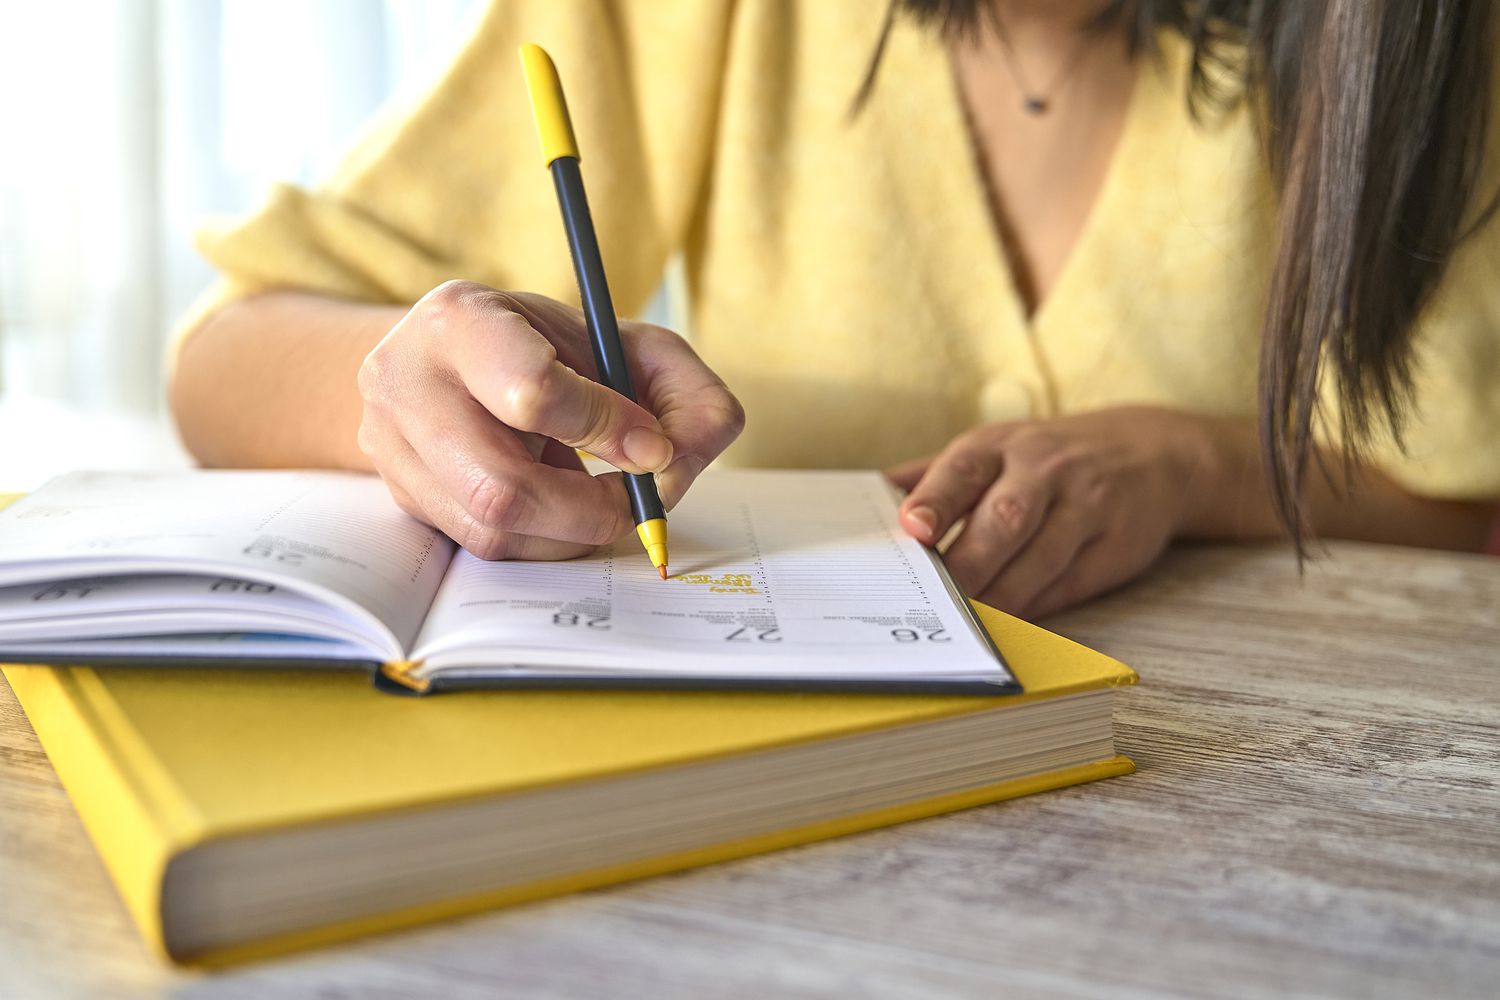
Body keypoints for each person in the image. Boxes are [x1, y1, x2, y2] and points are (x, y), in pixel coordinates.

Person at [169, 0, 1500, 619]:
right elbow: (224, 353)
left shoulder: (1421, 44)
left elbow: (1473, 501)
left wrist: (1200, 465)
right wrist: (413, 385)